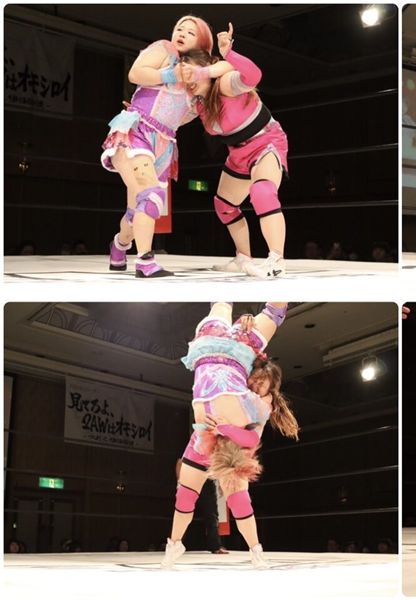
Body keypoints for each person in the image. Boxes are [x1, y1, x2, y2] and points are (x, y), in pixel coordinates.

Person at [161, 301, 299, 569]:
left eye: (261, 385)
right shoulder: (246, 376)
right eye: (256, 380)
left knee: (238, 501)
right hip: (230, 353)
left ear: (269, 391)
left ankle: (255, 550)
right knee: (185, 497)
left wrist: (222, 429)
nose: (256, 385)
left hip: (223, 443)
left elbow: (252, 440)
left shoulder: (262, 406)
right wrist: (246, 318)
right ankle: (174, 544)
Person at [102, 16, 229, 277]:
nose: (181, 33)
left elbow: (226, 71)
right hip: (136, 130)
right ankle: (145, 262)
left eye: (190, 32)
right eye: (179, 28)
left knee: (136, 212)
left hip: (164, 144)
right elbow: (135, 73)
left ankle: (119, 245)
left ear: (202, 42)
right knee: (150, 196)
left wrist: (219, 60)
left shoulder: (200, 76)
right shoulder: (165, 50)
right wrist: (171, 74)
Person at [192, 24, 290, 279]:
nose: (188, 80)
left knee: (262, 191)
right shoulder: (198, 102)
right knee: (224, 205)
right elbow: (172, 120)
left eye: (193, 72)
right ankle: (243, 257)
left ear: (206, 71)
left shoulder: (224, 84)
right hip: (238, 152)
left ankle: (276, 260)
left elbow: (253, 76)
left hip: (265, 141)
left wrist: (229, 54)